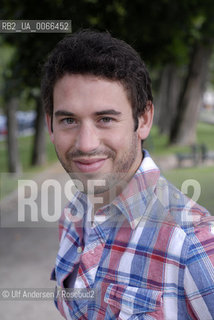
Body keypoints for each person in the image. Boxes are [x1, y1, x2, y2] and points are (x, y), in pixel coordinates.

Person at [41, 29, 214, 319]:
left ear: (143, 119)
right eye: (69, 120)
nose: (86, 144)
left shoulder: (194, 243)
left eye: (105, 119)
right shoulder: (73, 217)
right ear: (50, 126)